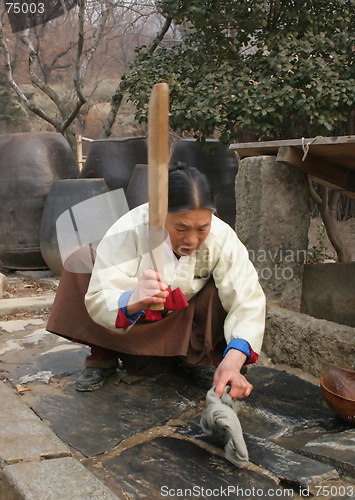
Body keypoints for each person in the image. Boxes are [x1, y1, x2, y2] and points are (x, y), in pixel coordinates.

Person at [47, 165, 265, 399]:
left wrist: (232, 362)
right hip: (132, 323)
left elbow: (246, 298)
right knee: (81, 258)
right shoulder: (129, 229)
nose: (192, 239)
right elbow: (101, 294)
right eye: (181, 228)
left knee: (222, 287)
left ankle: (199, 356)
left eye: (203, 228)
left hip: (181, 326)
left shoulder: (222, 238)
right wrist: (134, 299)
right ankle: (103, 351)